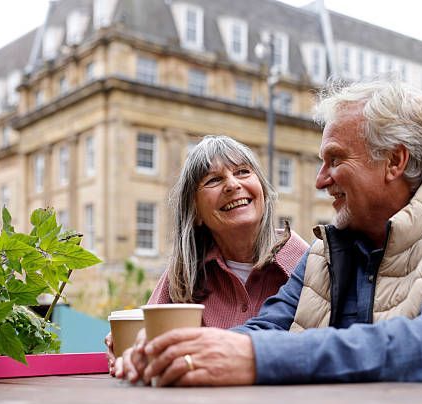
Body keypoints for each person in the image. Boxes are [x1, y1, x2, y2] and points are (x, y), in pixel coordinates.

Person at [121, 78, 422, 386]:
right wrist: (175, 354)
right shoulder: (323, 254)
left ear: (394, 161)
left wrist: (255, 357)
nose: (319, 180)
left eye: (334, 160)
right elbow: (263, 329)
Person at [106, 135, 308, 376]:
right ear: (196, 212)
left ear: (263, 191)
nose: (233, 185)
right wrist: (129, 343)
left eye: (243, 172)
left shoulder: (308, 263)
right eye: (214, 179)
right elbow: (146, 335)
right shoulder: (183, 273)